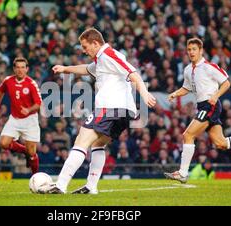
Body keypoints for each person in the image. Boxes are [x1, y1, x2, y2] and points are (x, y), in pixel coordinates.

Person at [46, 28, 156, 194]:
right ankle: (91, 186)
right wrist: (65, 68)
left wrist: (145, 93)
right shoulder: (101, 59)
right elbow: (87, 69)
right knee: (98, 144)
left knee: (81, 141)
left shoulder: (109, 55)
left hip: (110, 107)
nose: (84, 50)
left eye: (85, 46)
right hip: (123, 112)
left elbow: (133, 73)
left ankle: (60, 185)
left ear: (95, 43)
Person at [163, 38, 231, 184]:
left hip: (210, 105)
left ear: (201, 51)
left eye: (194, 49)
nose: (191, 52)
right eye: (189, 50)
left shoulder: (209, 67)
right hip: (202, 106)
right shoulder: (188, 70)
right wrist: (175, 93)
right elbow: (186, 88)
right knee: (220, 143)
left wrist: (216, 95)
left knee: (188, 134)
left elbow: (226, 83)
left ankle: (182, 173)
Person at [0, 57, 42, 174]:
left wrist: (28, 110)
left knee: (32, 153)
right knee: (3, 143)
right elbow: (0, 90)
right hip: (15, 118)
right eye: (18, 67)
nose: (20, 70)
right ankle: (24, 150)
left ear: (27, 69)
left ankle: (35, 177)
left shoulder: (31, 84)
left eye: (23, 67)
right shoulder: (8, 81)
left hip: (30, 120)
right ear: (14, 69)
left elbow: (38, 104)